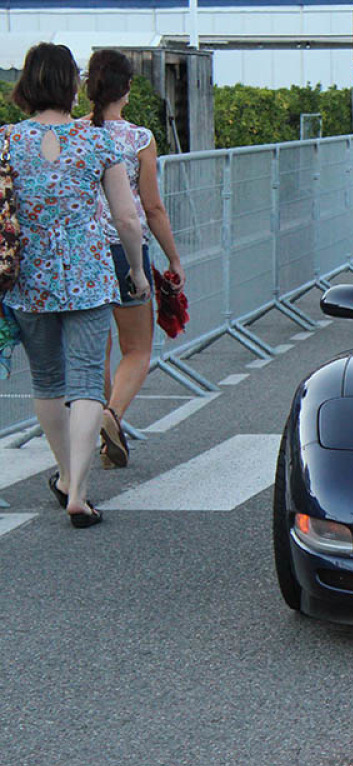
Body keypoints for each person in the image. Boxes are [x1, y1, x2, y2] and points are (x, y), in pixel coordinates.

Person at [2, 43, 146, 527]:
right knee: (86, 382)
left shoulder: (6, 141)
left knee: (46, 381)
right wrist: (138, 271)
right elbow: (126, 216)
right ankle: (79, 492)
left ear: (26, 84)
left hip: (29, 278)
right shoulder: (98, 142)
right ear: (72, 85)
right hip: (87, 272)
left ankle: (65, 473)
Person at [83, 48, 186, 469]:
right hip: (126, 251)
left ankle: (107, 441)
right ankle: (111, 417)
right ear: (126, 88)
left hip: (83, 252)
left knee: (98, 349)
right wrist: (173, 258)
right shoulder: (139, 139)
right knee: (138, 350)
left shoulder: (74, 134)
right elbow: (152, 206)